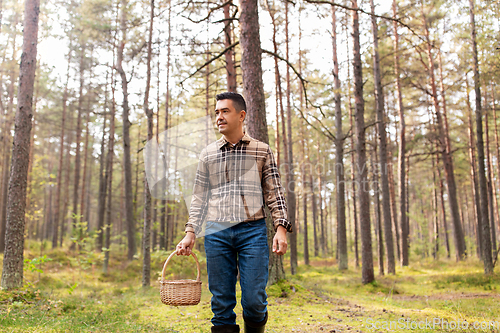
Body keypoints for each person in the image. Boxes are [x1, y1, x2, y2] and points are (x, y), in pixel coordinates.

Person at [176, 92, 291, 333]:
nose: (219, 117)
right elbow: (199, 197)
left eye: (225, 111)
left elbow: (275, 191)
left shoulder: (261, 150)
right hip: (217, 232)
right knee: (221, 303)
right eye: (216, 112)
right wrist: (190, 232)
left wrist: (281, 228)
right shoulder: (208, 154)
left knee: (254, 301)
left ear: (241, 116)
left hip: (253, 232)